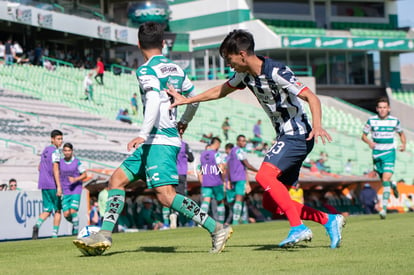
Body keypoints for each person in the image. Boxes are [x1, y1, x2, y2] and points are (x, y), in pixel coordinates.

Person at [168, 29, 345, 249]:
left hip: (297, 134)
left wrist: (317, 125)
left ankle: (298, 227)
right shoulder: (245, 75)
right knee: (272, 203)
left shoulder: (276, 71)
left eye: (229, 59)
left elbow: (311, 97)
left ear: (242, 54)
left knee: (264, 176)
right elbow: (220, 91)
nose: (228, 64)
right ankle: (329, 220)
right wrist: (189, 100)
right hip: (286, 136)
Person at [73, 22, 233, 256]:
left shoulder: (146, 70)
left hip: (159, 141)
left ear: (138, 45)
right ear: (163, 43)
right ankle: (105, 234)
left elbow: (154, 101)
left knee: (166, 197)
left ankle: (216, 228)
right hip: (154, 142)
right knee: (116, 180)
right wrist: (184, 122)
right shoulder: (177, 70)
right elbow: (194, 99)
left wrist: (142, 133)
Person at [362, 97, 406, 219]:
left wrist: (403, 144)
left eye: (384, 107)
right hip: (377, 154)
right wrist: (369, 142)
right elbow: (363, 136)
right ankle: (392, 185)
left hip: (389, 153)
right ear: (377, 109)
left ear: (389, 109)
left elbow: (401, 134)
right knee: (384, 180)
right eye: (380, 108)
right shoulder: (371, 121)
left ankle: (383, 209)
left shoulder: (394, 121)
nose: (382, 110)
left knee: (385, 178)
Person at [33, 129, 63, 239]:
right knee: (58, 210)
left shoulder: (45, 150)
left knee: (47, 210)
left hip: (43, 184)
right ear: (52, 139)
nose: (60, 141)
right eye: (58, 139)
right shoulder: (55, 152)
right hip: (52, 184)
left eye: (61, 139)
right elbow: (55, 168)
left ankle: (37, 225)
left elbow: (39, 167)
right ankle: (54, 235)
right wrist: (59, 186)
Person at [162, 139, 194, 229]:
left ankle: (171, 217)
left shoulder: (168, 143)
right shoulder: (184, 145)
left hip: (170, 173)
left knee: (170, 195)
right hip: (181, 173)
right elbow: (191, 158)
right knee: (182, 198)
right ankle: (189, 220)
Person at [226, 135, 258, 225]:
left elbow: (228, 166)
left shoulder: (231, 151)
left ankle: (243, 220)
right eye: (242, 141)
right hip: (240, 178)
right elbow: (247, 165)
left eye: (245, 141)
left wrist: (228, 179)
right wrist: (258, 171)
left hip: (233, 178)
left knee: (241, 199)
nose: (244, 143)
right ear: (238, 141)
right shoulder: (240, 151)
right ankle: (235, 221)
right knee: (239, 199)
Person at [60, 143, 87, 235]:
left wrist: (76, 179)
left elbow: (84, 174)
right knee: (66, 214)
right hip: (65, 190)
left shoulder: (77, 162)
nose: (67, 152)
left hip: (76, 189)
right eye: (65, 150)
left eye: (69, 150)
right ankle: (75, 223)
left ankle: (75, 231)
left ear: (72, 151)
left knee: (73, 210)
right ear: (63, 151)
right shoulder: (60, 162)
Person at [198, 137, 227, 224]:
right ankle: (221, 222)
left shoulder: (202, 154)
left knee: (206, 201)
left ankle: (201, 222)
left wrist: (202, 181)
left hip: (206, 182)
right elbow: (221, 168)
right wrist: (224, 180)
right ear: (217, 143)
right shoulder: (216, 154)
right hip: (216, 181)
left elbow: (200, 171)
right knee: (220, 200)